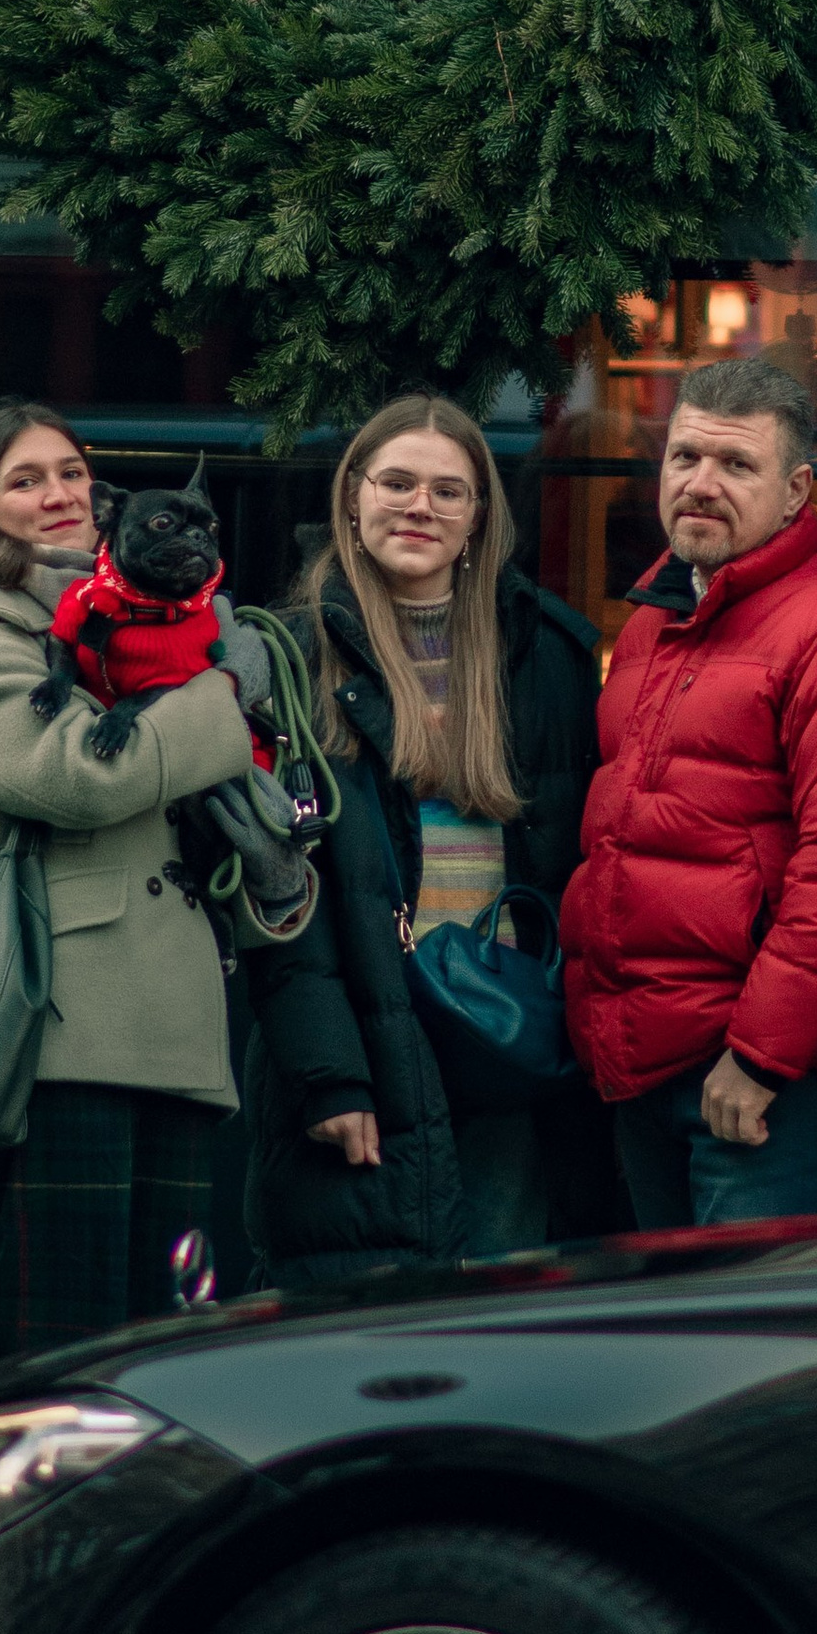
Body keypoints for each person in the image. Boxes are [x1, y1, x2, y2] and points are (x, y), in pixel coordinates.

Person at [0, 400, 316, 1362]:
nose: (58, 493)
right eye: (25, 479)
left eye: (71, 471)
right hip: (63, 1030)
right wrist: (220, 694)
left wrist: (267, 861)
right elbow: (77, 776)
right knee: (56, 1343)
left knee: (155, 1350)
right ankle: (8, 1512)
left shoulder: (152, 616)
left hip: (169, 1030)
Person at [245, 394, 600, 1279]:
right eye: (397, 483)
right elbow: (274, 895)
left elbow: (580, 862)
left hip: (504, 1039)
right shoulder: (287, 657)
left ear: (480, 516)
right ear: (352, 499)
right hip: (361, 1042)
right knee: (358, 1325)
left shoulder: (546, 651)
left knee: (499, 1310)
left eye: (449, 491)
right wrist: (331, 1075)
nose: (420, 507)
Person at [561, 355, 817, 1225]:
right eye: (685, 458)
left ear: (795, 490)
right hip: (637, 1060)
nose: (700, 485)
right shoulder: (650, 620)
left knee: (746, 1346)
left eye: (735, 465)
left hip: (755, 1084)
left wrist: (760, 1057)